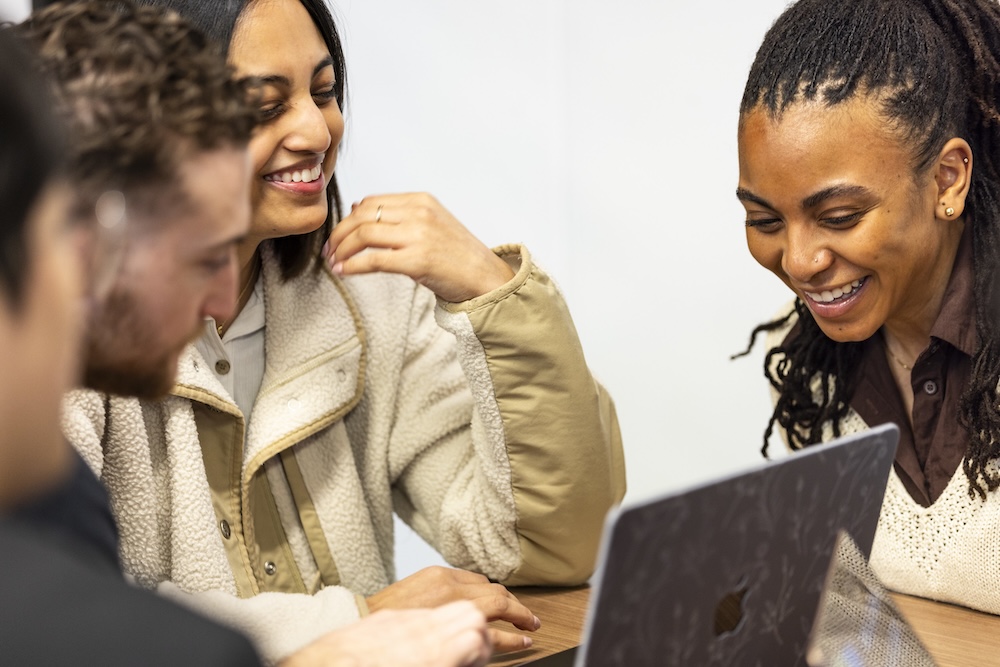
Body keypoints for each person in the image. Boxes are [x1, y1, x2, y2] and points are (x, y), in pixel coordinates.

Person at [50, 0, 623, 660]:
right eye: (265, 105)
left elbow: (549, 545)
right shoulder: (57, 335)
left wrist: (497, 295)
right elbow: (63, 610)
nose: (319, 132)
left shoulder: (370, 298)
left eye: (324, 92)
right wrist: (356, 617)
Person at [736, 0, 1000, 614]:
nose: (800, 262)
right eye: (764, 218)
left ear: (947, 180)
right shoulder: (801, 363)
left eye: (839, 217)